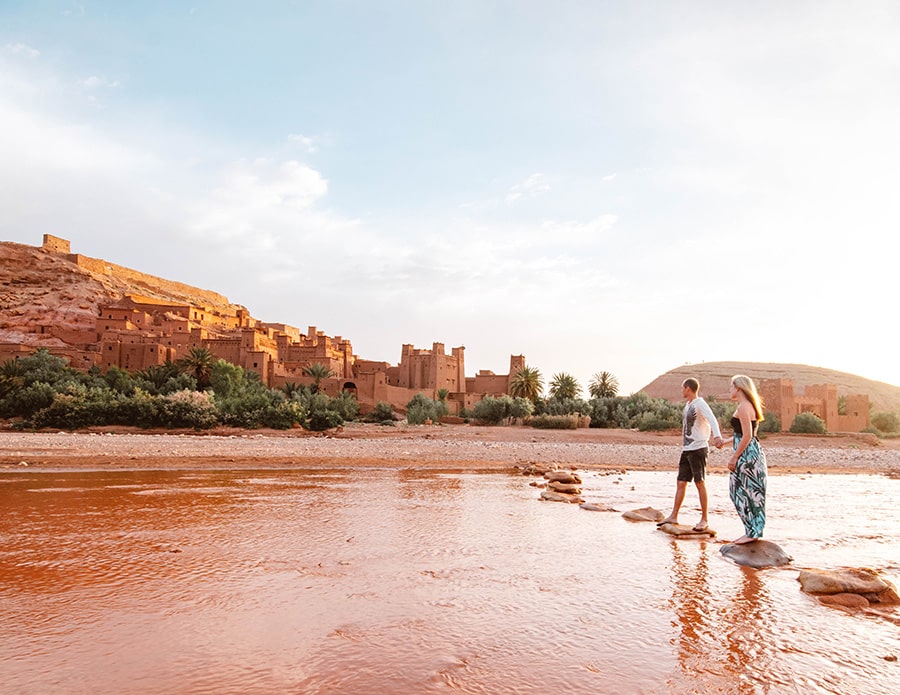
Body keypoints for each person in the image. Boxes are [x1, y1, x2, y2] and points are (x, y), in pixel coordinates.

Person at [658, 378, 724, 532]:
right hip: (687, 449)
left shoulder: (700, 403)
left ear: (688, 388)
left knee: (700, 482)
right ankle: (674, 516)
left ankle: (704, 519)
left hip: (699, 448)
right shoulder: (688, 405)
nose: (681, 390)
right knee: (681, 482)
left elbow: (712, 419)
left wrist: (717, 436)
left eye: (683, 388)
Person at [726, 374, 767, 544]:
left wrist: (734, 457)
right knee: (741, 491)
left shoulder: (744, 407)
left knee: (745, 492)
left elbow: (748, 435)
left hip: (747, 456)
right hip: (750, 452)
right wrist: (725, 442)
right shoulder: (747, 405)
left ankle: (752, 532)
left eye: (731, 386)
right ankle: (752, 530)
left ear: (738, 388)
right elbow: (741, 434)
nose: (729, 389)